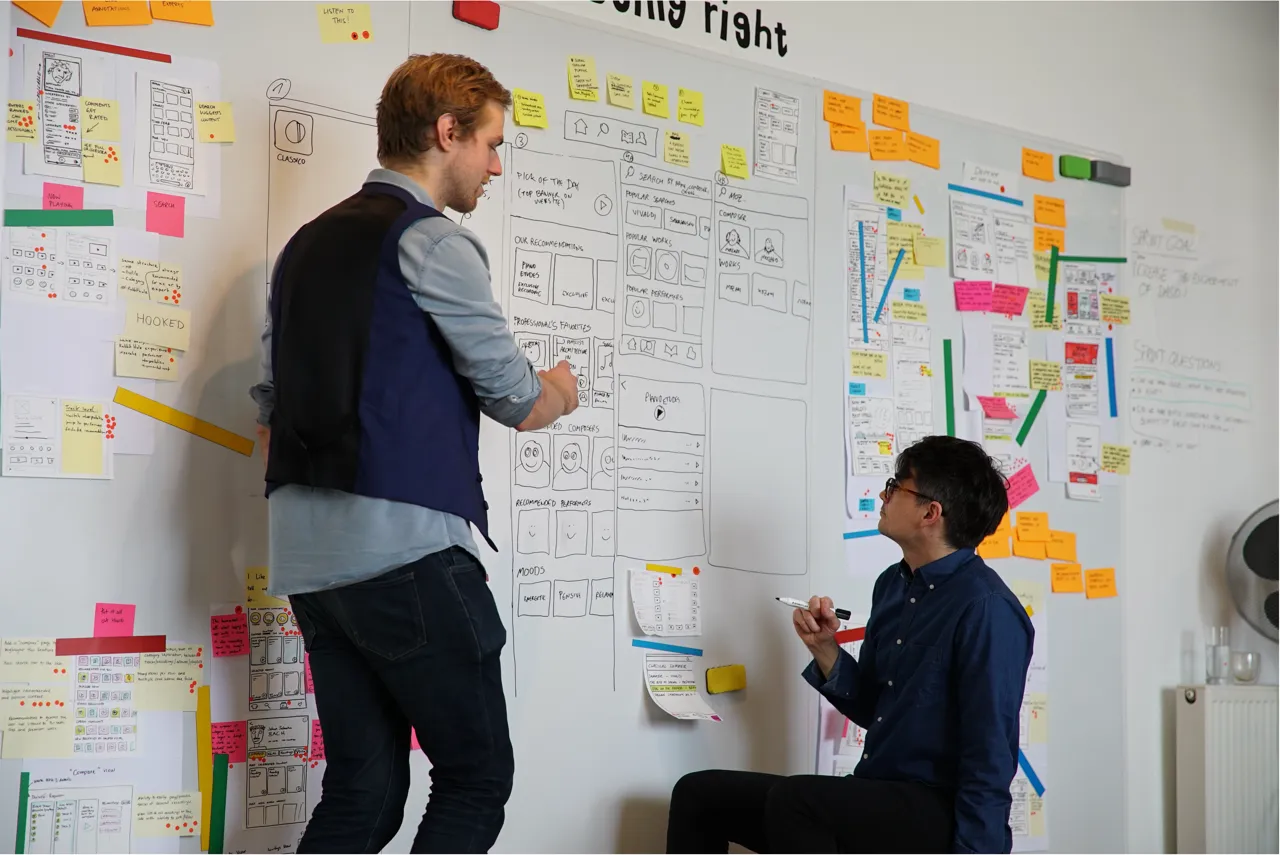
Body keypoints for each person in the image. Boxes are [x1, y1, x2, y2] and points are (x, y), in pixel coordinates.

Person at [249, 54, 580, 854]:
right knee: (475, 777)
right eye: (491, 144)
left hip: (309, 564)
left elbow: (266, 405)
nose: (495, 166)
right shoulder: (433, 242)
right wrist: (565, 388)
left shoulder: (303, 247)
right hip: (405, 557)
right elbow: (516, 398)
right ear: (446, 133)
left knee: (364, 791)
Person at [666, 436, 1034, 854]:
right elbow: (877, 710)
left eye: (897, 487)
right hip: (879, 792)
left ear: (931, 513)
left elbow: (989, 753)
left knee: (798, 802)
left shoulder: (987, 609)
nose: (884, 494)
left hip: (938, 807)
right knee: (700, 794)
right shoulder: (893, 586)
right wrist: (825, 650)